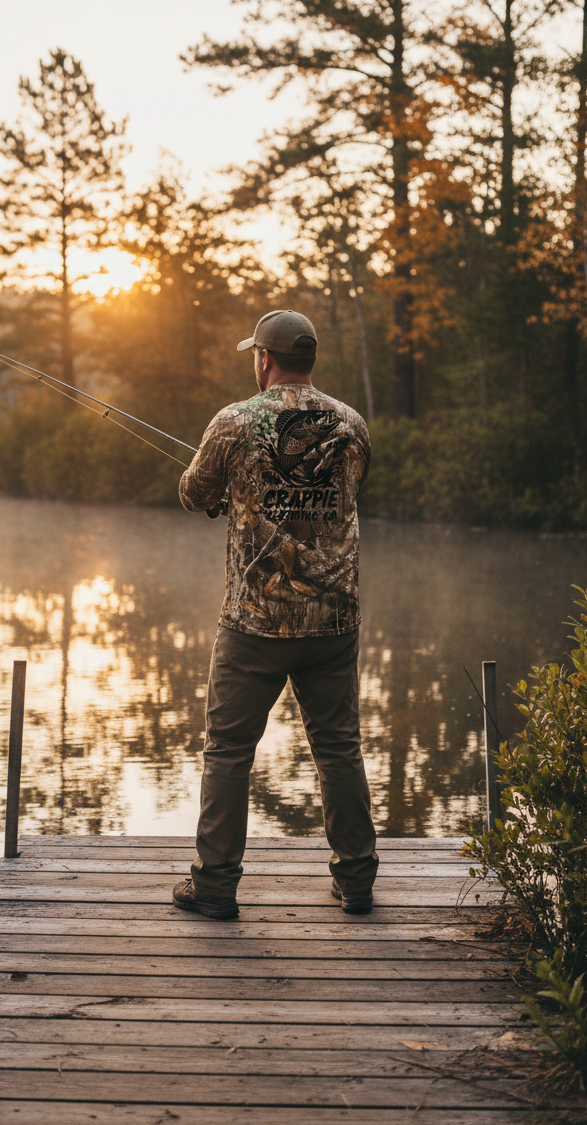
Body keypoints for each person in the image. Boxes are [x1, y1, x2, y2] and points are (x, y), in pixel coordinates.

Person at [172, 309, 378, 920]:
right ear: (309, 359)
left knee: (229, 750)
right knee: (339, 748)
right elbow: (350, 492)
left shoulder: (235, 421)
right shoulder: (352, 423)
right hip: (333, 617)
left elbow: (193, 494)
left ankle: (213, 887)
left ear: (264, 358)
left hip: (254, 623)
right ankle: (357, 881)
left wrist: (231, 492)